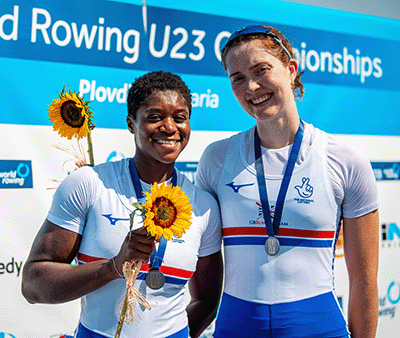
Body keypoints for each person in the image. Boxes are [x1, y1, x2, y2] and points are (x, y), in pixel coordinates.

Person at [195, 25, 379, 338]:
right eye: (237, 77)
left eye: (261, 70)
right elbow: (201, 269)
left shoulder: (345, 160)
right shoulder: (216, 158)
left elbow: (364, 281)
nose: (251, 86)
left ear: (291, 70)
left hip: (319, 329)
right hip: (235, 329)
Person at [21, 70, 223, 338]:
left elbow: (207, 302)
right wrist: (113, 267)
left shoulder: (204, 205)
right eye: (154, 117)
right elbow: (33, 285)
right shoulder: (89, 184)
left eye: (180, 117)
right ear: (131, 123)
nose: (170, 127)